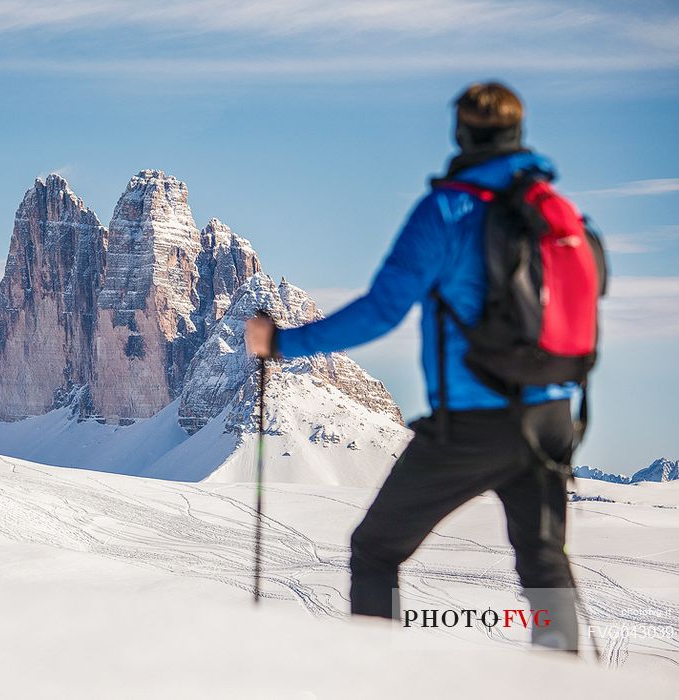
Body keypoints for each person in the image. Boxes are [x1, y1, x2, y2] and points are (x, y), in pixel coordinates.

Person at [246, 82, 582, 652]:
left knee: (375, 551)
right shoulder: (553, 211)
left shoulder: (447, 211)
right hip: (550, 415)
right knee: (544, 563)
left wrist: (282, 343)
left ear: (463, 132)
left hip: (476, 424)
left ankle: (380, 677)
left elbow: (382, 310)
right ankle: (564, 677)